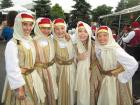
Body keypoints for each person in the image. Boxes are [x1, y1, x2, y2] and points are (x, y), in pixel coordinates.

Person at [3, 12, 46, 105]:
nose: (28, 28)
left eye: (31, 25)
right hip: (21, 81)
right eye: (25, 24)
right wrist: (19, 87)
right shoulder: (12, 44)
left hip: (32, 78)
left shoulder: (30, 40)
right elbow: (12, 68)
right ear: (18, 24)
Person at [95, 26, 138, 105]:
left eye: (105, 35)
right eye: (99, 36)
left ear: (110, 36)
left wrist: (122, 77)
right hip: (106, 79)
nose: (102, 38)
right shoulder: (100, 48)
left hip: (114, 81)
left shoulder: (115, 49)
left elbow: (133, 63)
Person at [74, 21, 102, 105]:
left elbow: (100, 59)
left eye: (85, 31)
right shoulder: (75, 45)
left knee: (91, 94)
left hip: (92, 74)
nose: (82, 34)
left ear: (89, 33)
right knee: (81, 93)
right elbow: (72, 60)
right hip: (80, 74)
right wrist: (77, 58)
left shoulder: (95, 45)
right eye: (80, 31)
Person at [33, 17, 58, 105]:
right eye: (43, 28)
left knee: (50, 90)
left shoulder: (51, 40)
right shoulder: (33, 41)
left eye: (48, 28)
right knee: (42, 91)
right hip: (39, 71)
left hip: (51, 70)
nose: (46, 30)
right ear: (38, 27)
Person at [52, 18, 76, 105]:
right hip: (59, 69)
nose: (60, 31)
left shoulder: (72, 39)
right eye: (57, 29)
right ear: (53, 30)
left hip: (71, 69)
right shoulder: (52, 40)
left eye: (62, 28)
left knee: (71, 87)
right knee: (60, 88)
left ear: (65, 28)